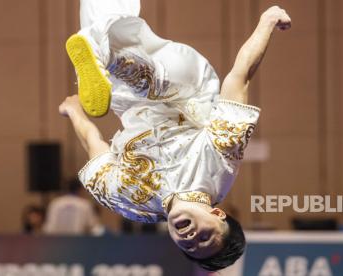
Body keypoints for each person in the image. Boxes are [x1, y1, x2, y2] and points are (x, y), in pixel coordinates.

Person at [59, 0, 291, 271]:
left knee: (100, 20)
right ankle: (108, 60)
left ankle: (102, 57)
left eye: (190, 246)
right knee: (151, 78)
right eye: (206, 236)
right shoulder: (220, 166)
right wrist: (268, 20)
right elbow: (239, 78)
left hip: (130, 103)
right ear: (217, 214)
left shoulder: (134, 203)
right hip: (187, 86)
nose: (192, 238)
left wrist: (75, 112)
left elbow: (96, 150)